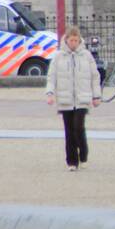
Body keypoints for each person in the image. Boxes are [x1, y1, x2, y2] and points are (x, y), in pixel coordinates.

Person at [45, 26, 101, 171]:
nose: (74, 43)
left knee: (78, 127)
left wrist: (96, 96)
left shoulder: (86, 56)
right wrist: (50, 93)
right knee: (69, 130)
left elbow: (95, 76)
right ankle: (71, 161)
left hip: (82, 98)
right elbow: (52, 76)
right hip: (65, 98)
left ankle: (83, 155)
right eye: (71, 40)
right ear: (67, 40)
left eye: (76, 40)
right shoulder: (58, 56)